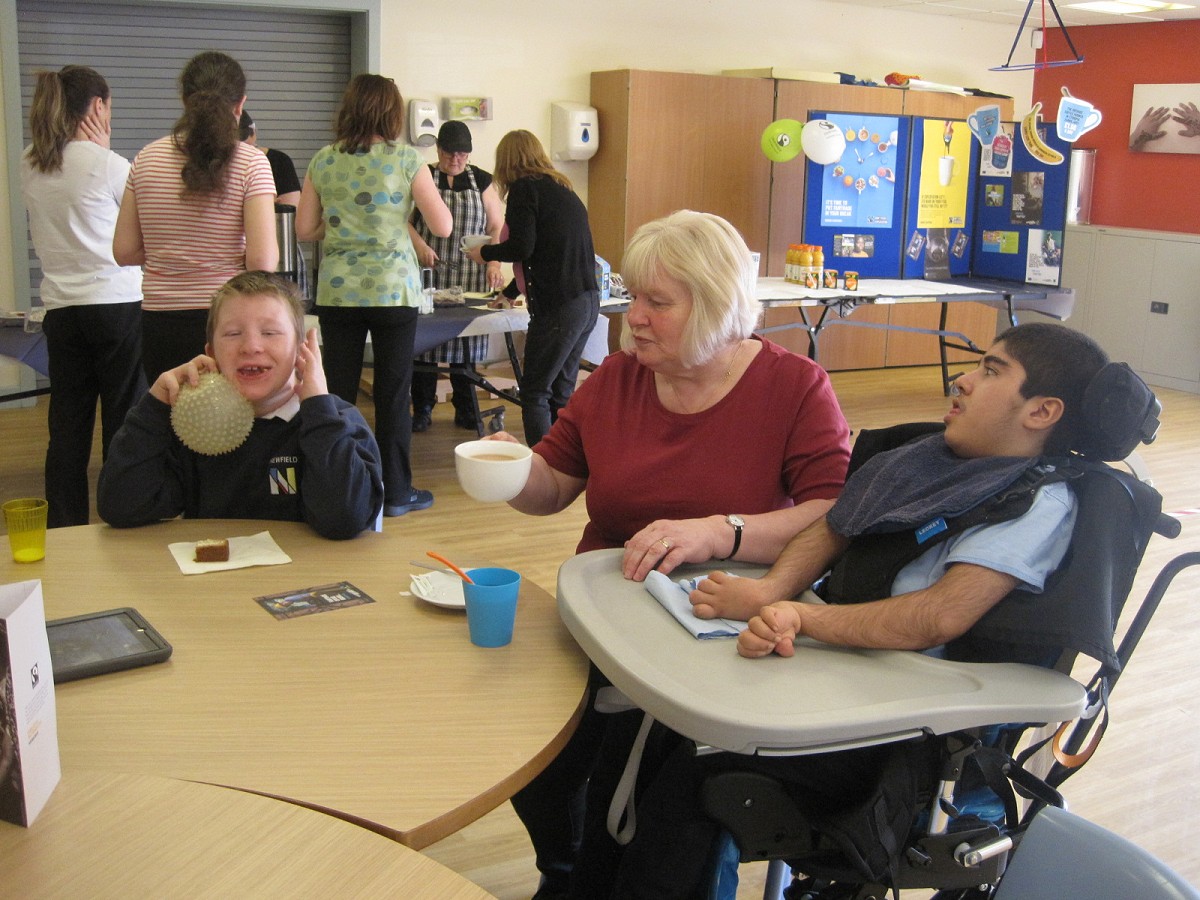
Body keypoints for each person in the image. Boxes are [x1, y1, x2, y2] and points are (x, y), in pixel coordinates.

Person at [592, 322, 1114, 899]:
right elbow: (835, 525)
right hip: (841, 681)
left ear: (1041, 411)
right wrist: (772, 593)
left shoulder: (1034, 503)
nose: (962, 379)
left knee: (694, 780)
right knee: (656, 730)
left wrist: (802, 617)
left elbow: (938, 617)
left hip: (899, 732)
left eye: (991, 371)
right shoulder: (928, 455)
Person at [483, 210, 851, 899]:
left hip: (721, 627)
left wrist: (722, 532)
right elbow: (553, 485)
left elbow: (832, 511)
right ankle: (567, 873)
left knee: (668, 802)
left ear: (713, 302)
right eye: (631, 298)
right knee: (537, 757)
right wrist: (508, 469)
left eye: (658, 302)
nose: (633, 319)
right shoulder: (616, 380)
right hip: (607, 615)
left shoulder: (793, 386)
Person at [97, 271, 383, 540]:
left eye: (270, 333)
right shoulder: (193, 426)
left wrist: (318, 407)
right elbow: (121, 507)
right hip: (217, 583)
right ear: (211, 353)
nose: (251, 346)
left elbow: (345, 519)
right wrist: (154, 407)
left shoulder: (337, 421)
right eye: (233, 334)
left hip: (303, 580)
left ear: (301, 350)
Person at [296, 74, 452, 517]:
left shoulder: (323, 160)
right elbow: (442, 226)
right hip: (393, 291)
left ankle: (338, 483)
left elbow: (305, 230)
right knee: (392, 392)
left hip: (339, 292)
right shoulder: (406, 160)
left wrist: (345, 226)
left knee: (339, 391)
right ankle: (397, 492)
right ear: (390, 113)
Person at [19, 65, 145, 528]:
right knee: (123, 420)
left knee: (66, 427)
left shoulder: (28, 163)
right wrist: (104, 155)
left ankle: (65, 529)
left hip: (62, 312)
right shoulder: (111, 166)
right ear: (97, 107)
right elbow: (138, 240)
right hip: (116, 307)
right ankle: (120, 514)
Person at [114, 51, 278, 381]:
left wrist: (173, 252)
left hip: (160, 321)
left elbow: (124, 251)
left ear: (184, 99)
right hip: (227, 320)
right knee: (231, 423)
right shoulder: (252, 163)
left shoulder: (145, 159)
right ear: (240, 103)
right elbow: (262, 261)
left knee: (173, 419)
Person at [465, 129, 598, 446]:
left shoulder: (525, 189)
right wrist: (510, 294)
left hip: (559, 308)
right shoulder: (561, 187)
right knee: (560, 392)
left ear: (507, 162)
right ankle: (562, 463)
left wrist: (484, 253)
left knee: (536, 391)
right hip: (586, 302)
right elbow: (544, 251)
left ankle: (542, 467)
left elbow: (521, 247)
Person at [408, 120, 505, 432]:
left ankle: (466, 407)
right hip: (429, 275)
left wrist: (493, 262)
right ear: (438, 150)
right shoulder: (423, 174)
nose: (456, 160)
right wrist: (420, 246)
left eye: (463, 155)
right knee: (424, 346)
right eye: (450, 154)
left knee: (465, 345)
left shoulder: (482, 180)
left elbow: (496, 225)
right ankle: (422, 407)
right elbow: (402, 221)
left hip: (471, 278)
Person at [238, 110, 301, 206]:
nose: (247, 154)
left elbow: (290, 210)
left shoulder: (280, 162)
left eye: (249, 148)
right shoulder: (219, 165)